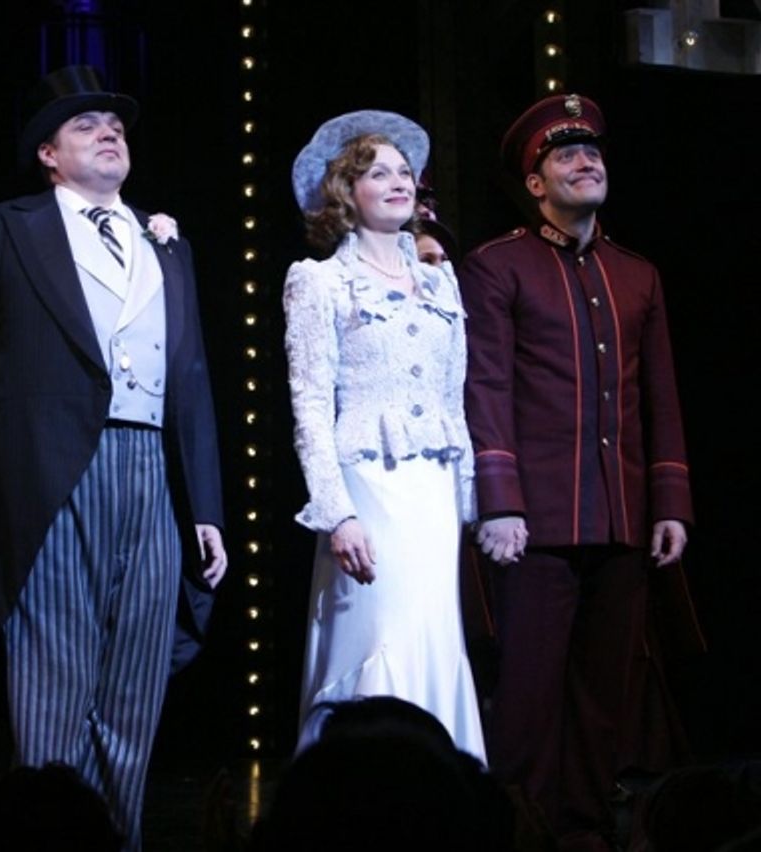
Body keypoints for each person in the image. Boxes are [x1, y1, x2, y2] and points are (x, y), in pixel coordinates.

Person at [0, 65, 227, 850]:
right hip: (49, 475)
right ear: (48, 154)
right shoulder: (7, 229)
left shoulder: (167, 239)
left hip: (150, 471)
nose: (109, 132)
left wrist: (208, 510)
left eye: (115, 123)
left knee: (135, 684)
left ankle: (117, 839)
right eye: (85, 125)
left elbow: (190, 378)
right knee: (52, 683)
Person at [459, 93, 693, 851]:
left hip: (623, 516)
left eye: (592, 151)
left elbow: (660, 396)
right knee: (528, 695)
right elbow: (485, 385)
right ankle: (522, 830)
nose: (586, 161)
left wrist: (670, 501)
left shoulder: (637, 274)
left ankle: (588, 833)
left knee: (604, 698)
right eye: (565, 155)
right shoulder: (498, 266)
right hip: (537, 521)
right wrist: (499, 501)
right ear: (535, 183)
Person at [284, 110, 485, 759]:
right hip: (368, 487)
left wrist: (466, 495)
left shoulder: (438, 278)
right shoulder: (319, 281)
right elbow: (310, 403)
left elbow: (452, 394)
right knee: (381, 638)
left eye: (405, 172)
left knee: (433, 636)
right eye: (378, 172)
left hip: (432, 492)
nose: (398, 182)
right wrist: (335, 513)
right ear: (347, 190)